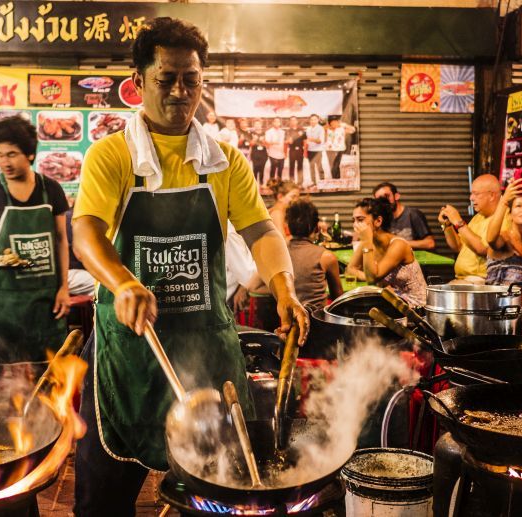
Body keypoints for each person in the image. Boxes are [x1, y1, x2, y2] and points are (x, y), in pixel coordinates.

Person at [71, 18, 309, 516]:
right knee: (102, 497)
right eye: (166, 79)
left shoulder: (225, 161)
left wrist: (285, 287)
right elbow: (87, 231)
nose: (181, 92)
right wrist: (123, 281)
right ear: (137, 84)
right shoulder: (112, 155)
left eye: (192, 79)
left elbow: (262, 232)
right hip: (130, 351)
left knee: (218, 492)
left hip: (204, 344)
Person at [0, 116, 70, 366]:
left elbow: (62, 240)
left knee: (47, 370)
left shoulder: (51, 189)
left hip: (45, 298)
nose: (4, 162)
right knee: (2, 373)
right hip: (4, 300)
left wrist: (64, 288)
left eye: (12, 154)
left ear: (30, 154)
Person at [347, 197, 427, 305]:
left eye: (360, 220)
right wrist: (371, 276)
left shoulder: (398, 245)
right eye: (354, 220)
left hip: (416, 307)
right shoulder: (368, 242)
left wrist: (373, 277)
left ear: (378, 221)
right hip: (393, 301)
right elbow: (350, 269)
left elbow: (372, 279)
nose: (355, 225)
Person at [439, 174, 503, 284]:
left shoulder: (502, 217)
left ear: (492, 195)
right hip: (463, 279)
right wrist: (447, 225)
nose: (471, 198)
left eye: (476, 194)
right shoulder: (478, 216)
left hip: (481, 281)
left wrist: (459, 222)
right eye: (471, 193)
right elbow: (458, 246)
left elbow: (483, 249)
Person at [286, 200, 342, 312]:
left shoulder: (279, 253)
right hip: (316, 322)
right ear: (316, 227)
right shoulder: (326, 257)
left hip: (285, 320)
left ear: (288, 227)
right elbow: (338, 299)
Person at [485, 177, 522, 286]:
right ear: (510, 215)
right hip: (498, 302)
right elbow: (491, 239)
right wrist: (504, 201)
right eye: (518, 206)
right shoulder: (504, 238)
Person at [372, 182, 435, 250]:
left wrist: (398, 243)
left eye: (387, 196)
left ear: (396, 196)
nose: (384, 202)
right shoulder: (381, 219)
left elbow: (430, 243)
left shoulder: (413, 214)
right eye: (379, 200)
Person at [305, 114, 325, 188]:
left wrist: (311, 139)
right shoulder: (308, 129)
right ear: (310, 120)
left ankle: (322, 182)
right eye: (311, 119)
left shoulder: (321, 128)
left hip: (318, 150)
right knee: (311, 167)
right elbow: (307, 141)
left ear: (318, 120)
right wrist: (306, 150)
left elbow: (320, 141)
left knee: (319, 167)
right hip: (310, 150)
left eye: (314, 119)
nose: (313, 121)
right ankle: (313, 182)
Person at [285, 116, 307, 186]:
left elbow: (305, 141)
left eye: (294, 120)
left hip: (300, 150)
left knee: (300, 166)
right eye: (291, 120)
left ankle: (300, 182)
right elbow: (287, 141)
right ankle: (292, 181)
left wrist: (305, 151)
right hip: (292, 150)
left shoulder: (302, 130)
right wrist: (289, 141)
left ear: (297, 121)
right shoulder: (288, 131)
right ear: (290, 122)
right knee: (291, 166)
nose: (293, 122)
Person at [265, 117, 286, 182]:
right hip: (273, 154)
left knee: (280, 170)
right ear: (273, 122)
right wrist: (274, 142)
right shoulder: (269, 132)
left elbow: (284, 143)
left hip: (281, 154)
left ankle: (279, 184)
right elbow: (267, 142)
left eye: (278, 122)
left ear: (280, 123)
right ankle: (272, 185)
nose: (277, 123)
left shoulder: (283, 132)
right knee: (273, 170)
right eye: (275, 121)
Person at [249, 118, 269, 185]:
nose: (257, 126)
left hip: (263, 154)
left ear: (261, 125)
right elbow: (250, 144)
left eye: (258, 124)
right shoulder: (251, 133)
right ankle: (254, 185)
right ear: (254, 126)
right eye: (256, 124)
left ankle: (261, 183)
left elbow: (268, 145)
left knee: (262, 169)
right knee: (255, 169)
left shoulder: (265, 133)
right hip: (255, 153)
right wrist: (254, 139)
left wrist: (263, 141)